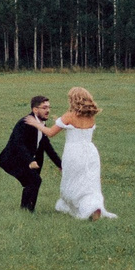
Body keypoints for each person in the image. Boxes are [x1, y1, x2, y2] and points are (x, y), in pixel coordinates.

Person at [47, 86, 114, 220]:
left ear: (73, 100)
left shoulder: (69, 116)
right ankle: (93, 206)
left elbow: (50, 133)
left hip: (74, 152)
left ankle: (80, 207)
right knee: (90, 183)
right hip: (90, 152)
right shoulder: (91, 117)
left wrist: (35, 124)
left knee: (72, 181)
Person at [0, 94, 62, 212]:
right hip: (13, 159)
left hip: (28, 159)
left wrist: (60, 165)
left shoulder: (41, 124)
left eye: (49, 107)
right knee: (34, 180)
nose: (48, 111)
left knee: (32, 182)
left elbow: (47, 147)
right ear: (35, 109)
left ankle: (27, 210)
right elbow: (17, 144)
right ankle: (27, 210)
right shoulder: (25, 122)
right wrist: (30, 160)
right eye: (44, 108)